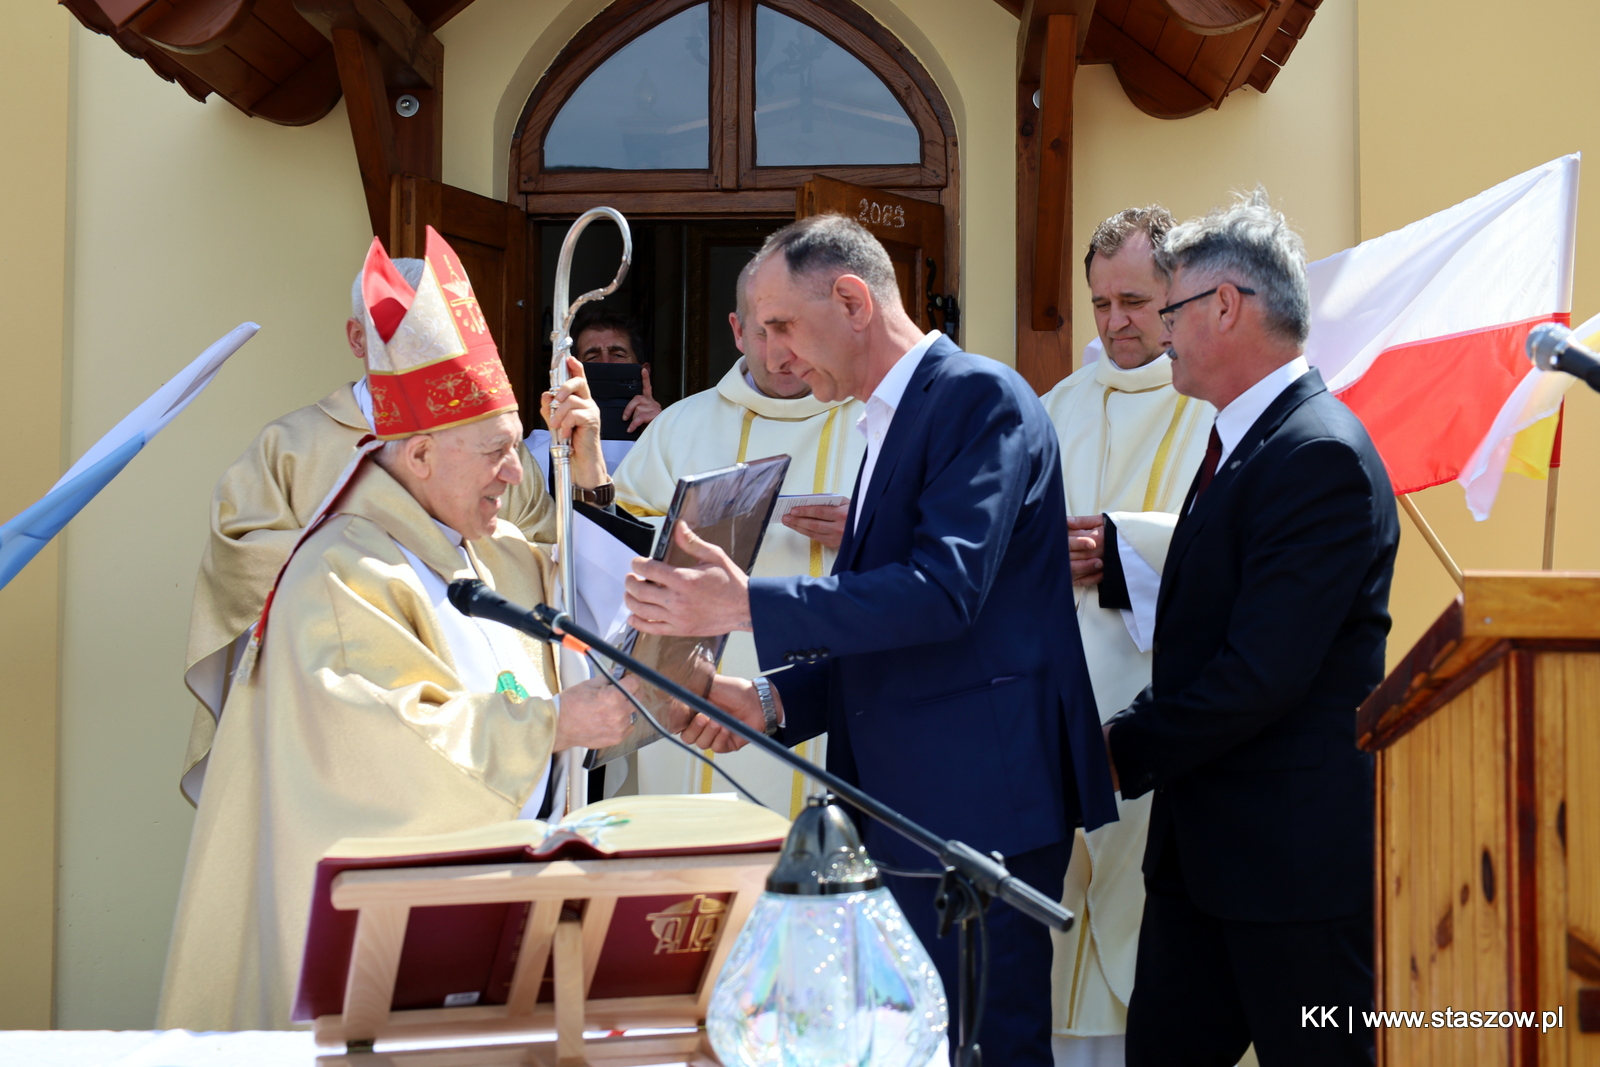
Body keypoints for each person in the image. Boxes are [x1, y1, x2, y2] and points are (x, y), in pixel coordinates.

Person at [156, 228, 705, 1031]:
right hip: (380, 976)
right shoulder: (340, 577)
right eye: (496, 453)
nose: (516, 475)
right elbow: (381, 747)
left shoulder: (489, 556)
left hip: (500, 946)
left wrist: (586, 470)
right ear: (416, 459)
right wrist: (550, 723)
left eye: (517, 450)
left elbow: (597, 609)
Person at [621, 214, 1118, 1067]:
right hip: (903, 804)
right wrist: (768, 699)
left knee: (984, 1047)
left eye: (782, 324)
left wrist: (744, 606)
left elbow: (941, 594)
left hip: (974, 809)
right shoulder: (877, 417)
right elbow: (886, 627)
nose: (773, 351)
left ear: (852, 299)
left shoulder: (977, 397)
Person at [1102, 190, 1398, 1066]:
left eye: (1169, 309)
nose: (1160, 332)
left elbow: (1261, 671)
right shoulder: (1244, 440)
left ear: (1225, 305)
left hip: (1290, 872)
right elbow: (1207, 638)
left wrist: (1123, 746)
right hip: (1206, 860)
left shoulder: (1317, 454)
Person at [179, 256, 612, 805]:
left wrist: (587, 474)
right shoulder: (290, 446)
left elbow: (561, 566)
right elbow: (238, 557)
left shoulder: (491, 443)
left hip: (492, 708)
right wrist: (385, 562)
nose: (505, 468)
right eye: (393, 332)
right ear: (356, 337)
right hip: (345, 719)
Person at [1039, 206, 1214, 1065]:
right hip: (1056, 701)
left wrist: (1122, 545)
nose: (1114, 323)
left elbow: (1239, 544)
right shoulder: (1052, 408)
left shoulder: (1212, 405)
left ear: (1177, 294)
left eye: (1136, 302)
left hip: (1161, 709)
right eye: (1101, 302)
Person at [613, 257, 864, 814]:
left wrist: (867, 532)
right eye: (762, 333)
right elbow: (614, 548)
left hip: (813, 695)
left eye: (794, 332)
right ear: (735, 331)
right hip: (701, 689)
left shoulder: (872, 421)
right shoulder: (680, 426)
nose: (781, 356)